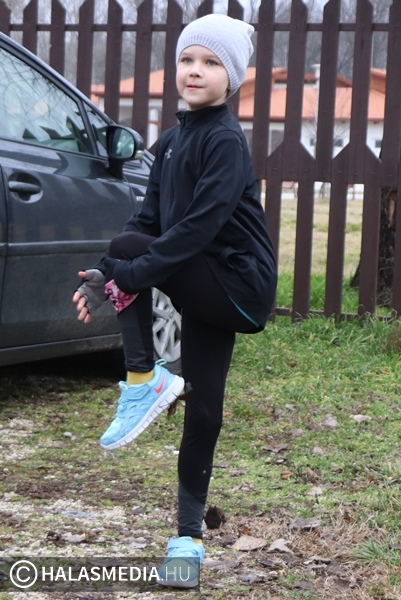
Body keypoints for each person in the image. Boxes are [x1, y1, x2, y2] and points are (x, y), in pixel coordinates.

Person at [73, 13, 277, 588]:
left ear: (232, 78)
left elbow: (194, 230)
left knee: (128, 252)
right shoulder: (170, 142)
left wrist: (125, 274)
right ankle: (187, 542)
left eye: (212, 62)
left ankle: (143, 378)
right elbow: (148, 222)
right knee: (204, 408)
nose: (195, 70)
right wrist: (103, 277)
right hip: (204, 283)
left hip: (239, 286)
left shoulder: (224, 141)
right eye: (188, 58)